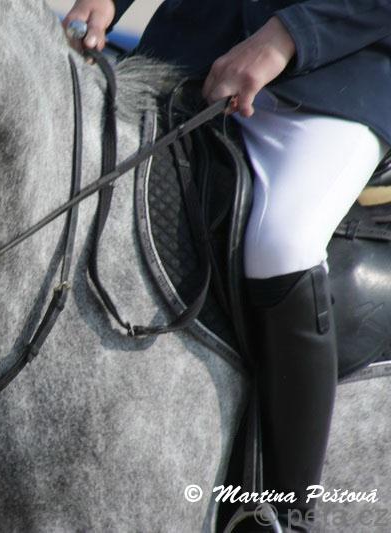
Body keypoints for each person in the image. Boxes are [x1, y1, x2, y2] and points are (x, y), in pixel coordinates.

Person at [65, 0, 391, 528]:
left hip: (336, 74)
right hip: (189, 49)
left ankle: (283, 511)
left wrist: (289, 35)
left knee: (282, 241)